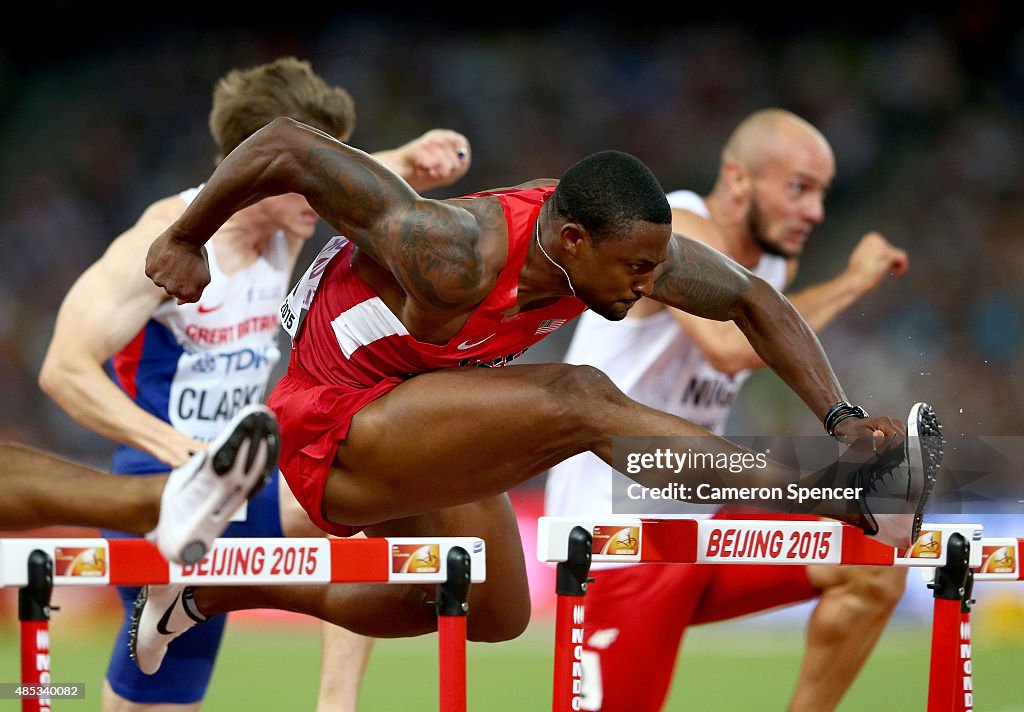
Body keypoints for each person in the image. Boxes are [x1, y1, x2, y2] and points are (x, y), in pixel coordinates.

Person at [123, 115, 944, 677]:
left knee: (496, 610)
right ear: (573, 241)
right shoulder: (452, 252)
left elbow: (754, 303)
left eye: (656, 267)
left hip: (420, 404)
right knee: (582, 397)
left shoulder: (620, 251)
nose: (650, 286)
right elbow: (284, 146)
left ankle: (204, 591)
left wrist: (839, 417)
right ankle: (833, 500)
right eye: (636, 270)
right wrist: (186, 234)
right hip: (328, 419)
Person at [36, 56, 471, 712]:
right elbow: (63, 369)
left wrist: (411, 157)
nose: (326, 199)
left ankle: (335, 705)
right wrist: (188, 459)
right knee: (150, 699)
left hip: (248, 491)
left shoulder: (280, 224)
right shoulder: (160, 242)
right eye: (309, 179)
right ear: (258, 167)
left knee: (346, 496)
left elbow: (348, 171)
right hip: (157, 498)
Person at [543, 108, 913, 712]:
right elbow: (728, 348)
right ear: (739, 181)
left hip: (704, 532)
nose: (815, 212)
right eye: (799, 188)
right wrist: (852, 281)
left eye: (823, 193)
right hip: (616, 538)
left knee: (873, 557)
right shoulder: (671, 226)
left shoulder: (772, 265)